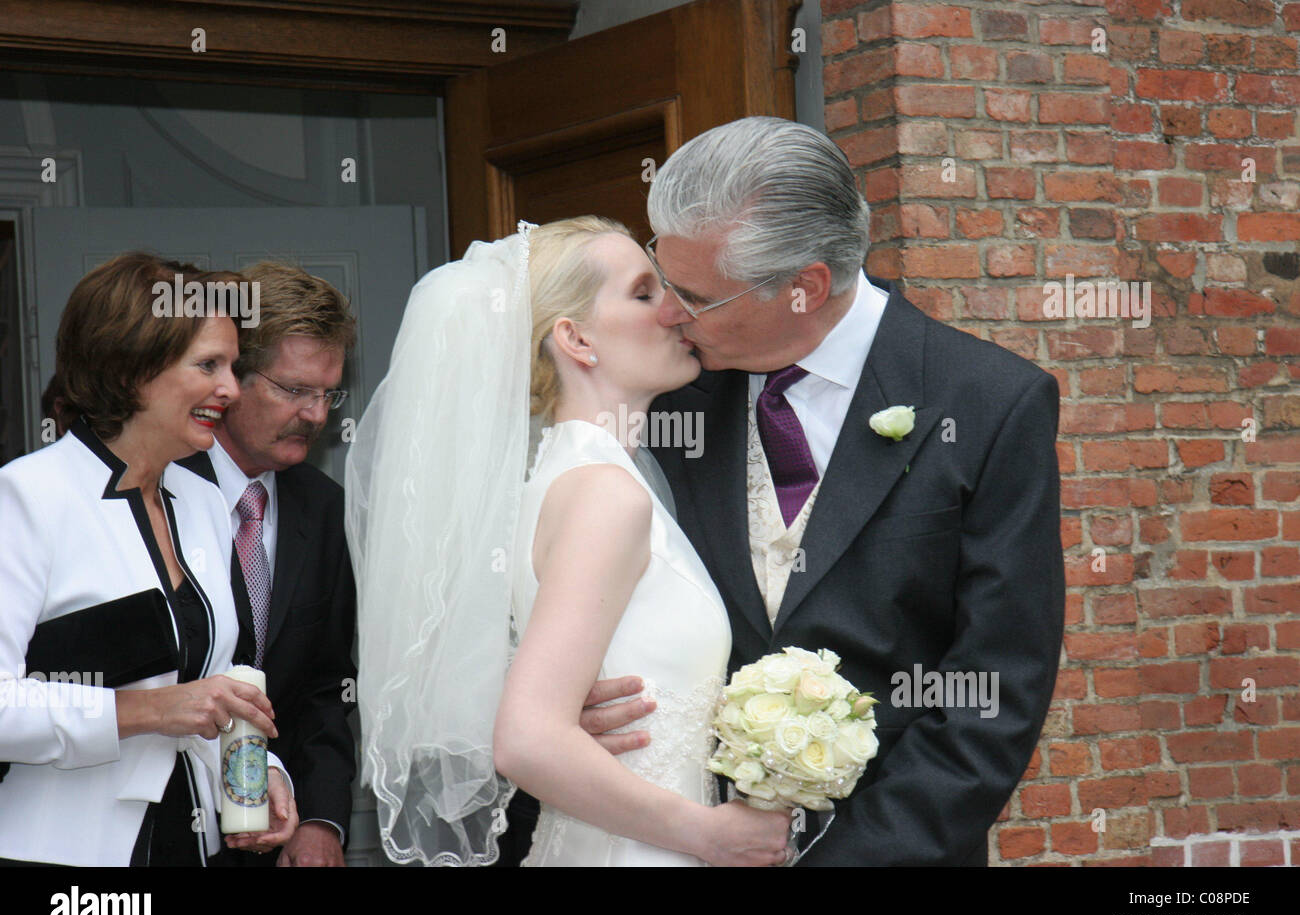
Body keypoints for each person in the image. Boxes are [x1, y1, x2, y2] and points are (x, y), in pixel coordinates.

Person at [584, 115, 1061, 865]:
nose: (670, 312)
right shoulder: (663, 395)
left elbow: (995, 686)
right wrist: (576, 700)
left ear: (804, 287)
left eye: (696, 294)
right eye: (661, 275)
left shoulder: (989, 403)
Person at [346, 217, 791, 866]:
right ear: (577, 338)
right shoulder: (604, 494)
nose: (675, 311)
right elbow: (527, 740)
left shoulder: (565, 474)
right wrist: (706, 833)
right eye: (644, 294)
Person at [0, 252, 298, 866]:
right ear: (133, 366)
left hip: (200, 848)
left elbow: (213, 682)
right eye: (208, 365)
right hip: (66, 858)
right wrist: (149, 711)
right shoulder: (26, 498)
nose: (232, 390)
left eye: (233, 367)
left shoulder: (204, 501)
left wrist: (260, 769)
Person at [178, 261, 358, 866]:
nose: (317, 415)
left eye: (328, 394)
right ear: (230, 379)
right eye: (293, 389)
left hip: (278, 840)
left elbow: (325, 686)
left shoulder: (324, 507)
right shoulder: (158, 493)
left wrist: (324, 822)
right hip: (164, 833)